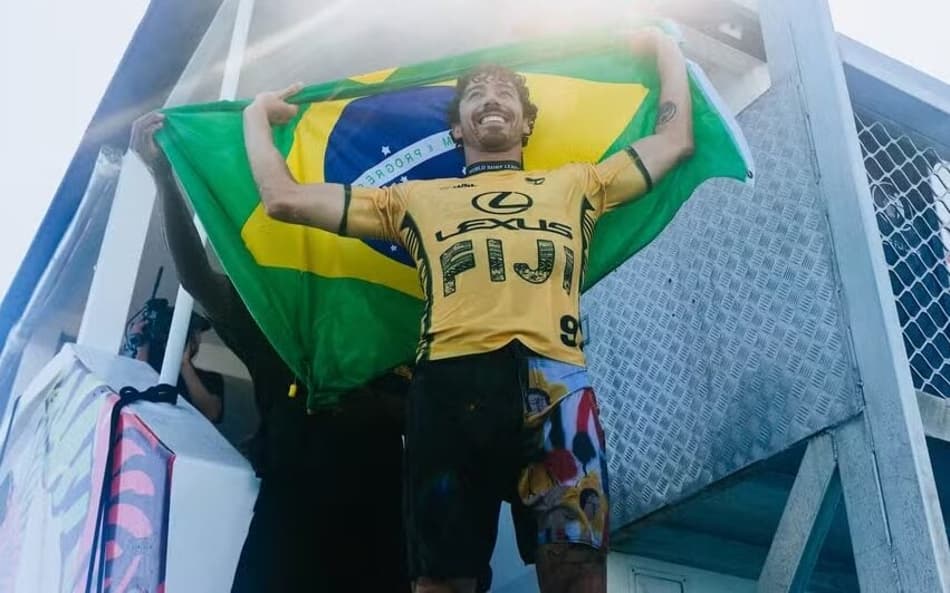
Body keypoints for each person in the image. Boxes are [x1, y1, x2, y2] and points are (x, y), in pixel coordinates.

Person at [242, 27, 693, 593]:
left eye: (504, 90)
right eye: (476, 93)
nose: (491, 98)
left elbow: (675, 141)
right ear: (458, 127)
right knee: (442, 583)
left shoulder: (579, 183)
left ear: (527, 122)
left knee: (578, 575)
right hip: (449, 391)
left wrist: (665, 50)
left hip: (555, 389)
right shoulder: (410, 198)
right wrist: (255, 118)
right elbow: (282, 199)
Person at [129, 113, 410, 592]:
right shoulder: (275, 321)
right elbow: (198, 279)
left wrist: (361, 404)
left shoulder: (390, 316)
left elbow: (423, 411)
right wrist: (164, 179)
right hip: (290, 521)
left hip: (380, 525)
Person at [126, 302, 224, 423]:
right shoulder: (148, 368)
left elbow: (211, 413)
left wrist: (184, 364)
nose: (198, 340)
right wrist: (142, 345)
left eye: (197, 335)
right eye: (195, 334)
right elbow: (133, 393)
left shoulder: (211, 379)